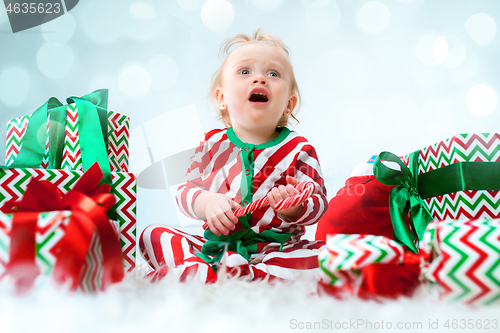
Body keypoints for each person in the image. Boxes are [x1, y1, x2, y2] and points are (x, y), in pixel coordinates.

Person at [140, 29, 328, 283]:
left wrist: (295, 209)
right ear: (222, 98)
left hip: (277, 249)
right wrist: (207, 202)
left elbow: (318, 203)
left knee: (325, 256)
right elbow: (185, 192)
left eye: (273, 74)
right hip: (218, 245)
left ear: (289, 104)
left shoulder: (299, 149)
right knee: (152, 234)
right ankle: (226, 268)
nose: (259, 79)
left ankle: (230, 272)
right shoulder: (211, 143)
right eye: (245, 72)